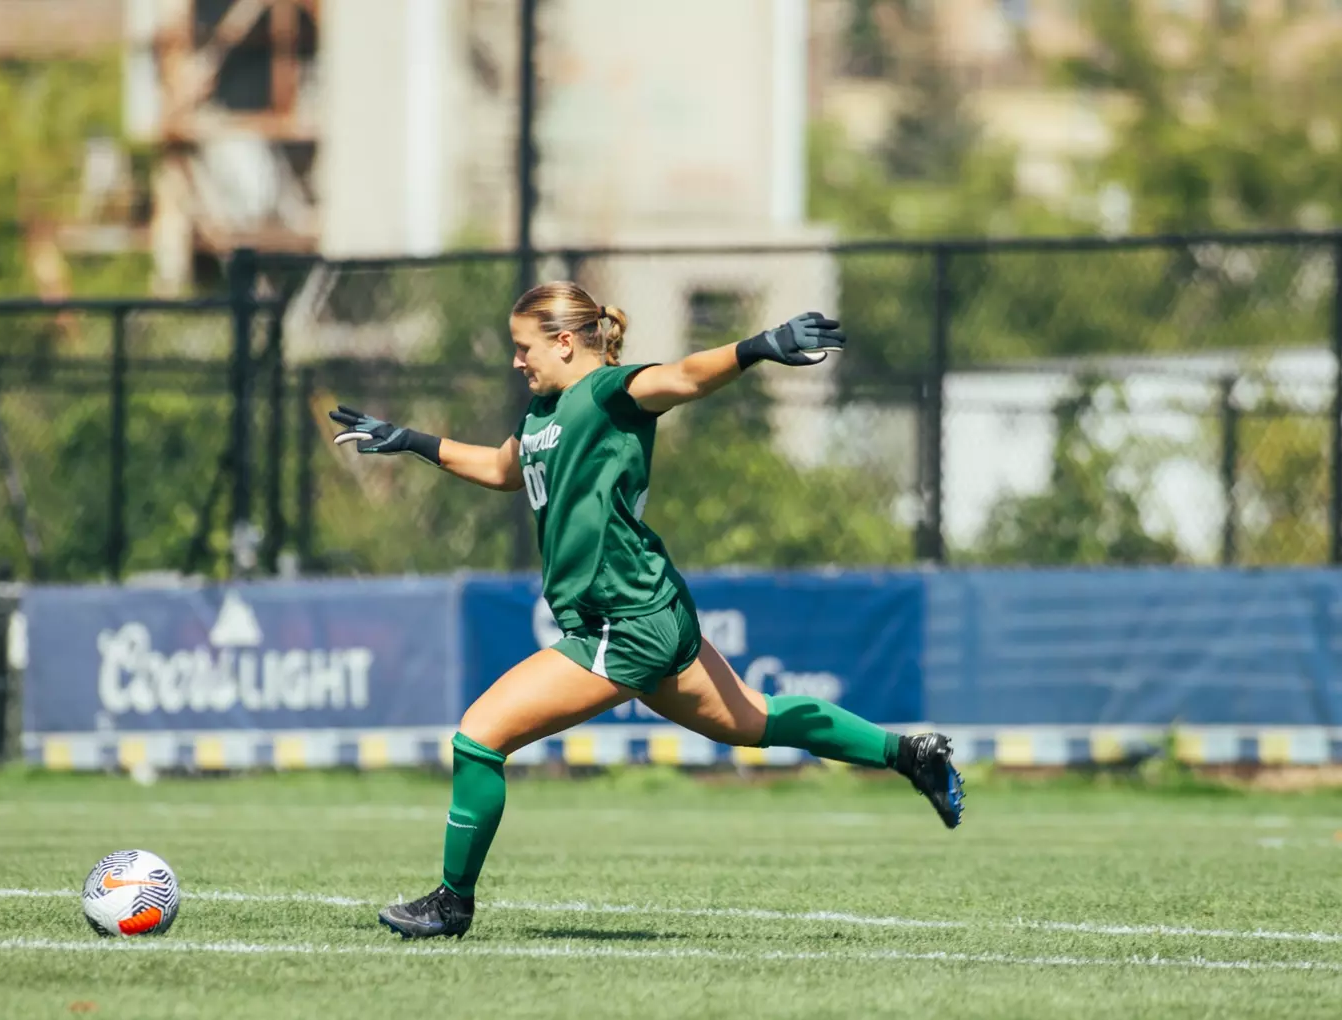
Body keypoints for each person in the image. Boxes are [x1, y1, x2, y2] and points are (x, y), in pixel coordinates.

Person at [329, 282, 963, 941]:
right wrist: (408, 440)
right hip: (649, 610)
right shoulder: (542, 415)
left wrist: (760, 346)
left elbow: (684, 377)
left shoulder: (607, 393)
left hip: (623, 623)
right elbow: (498, 468)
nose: (517, 362)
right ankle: (911, 754)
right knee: (755, 720)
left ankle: (452, 903)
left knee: (479, 737)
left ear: (565, 341)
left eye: (524, 348)